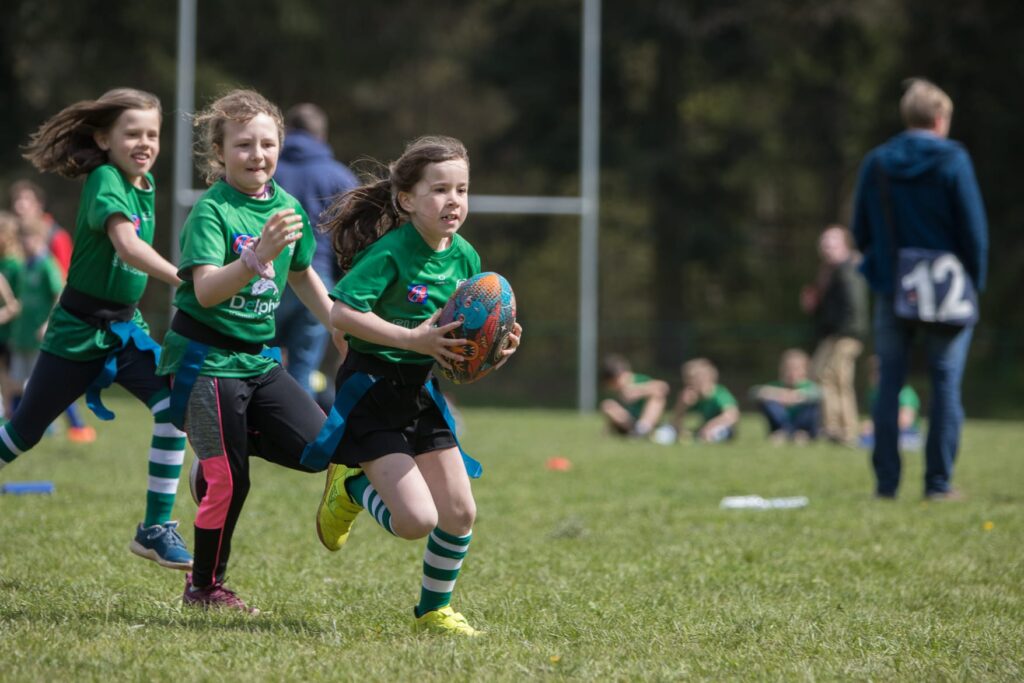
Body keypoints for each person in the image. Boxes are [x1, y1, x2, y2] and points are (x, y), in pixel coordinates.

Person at [313, 135, 522, 636]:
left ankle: (433, 611)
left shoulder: (466, 257)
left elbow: (456, 341)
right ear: (406, 199)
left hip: (420, 393)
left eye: (462, 190)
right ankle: (350, 486)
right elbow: (342, 313)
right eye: (440, 190)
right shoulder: (390, 253)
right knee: (415, 522)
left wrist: (489, 351)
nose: (454, 201)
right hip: (371, 391)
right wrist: (412, 338)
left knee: (459, 510)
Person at [158, 89, 341, 613]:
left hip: (258, 360)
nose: (256, 155)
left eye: (267, 143)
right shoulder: (211, 211)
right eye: (243, 145)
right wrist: (257, 256)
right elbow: (207, 289)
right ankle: (204, 587)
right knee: (231, 482)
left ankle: (214, 462)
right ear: (219, 153)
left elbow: (304, 272)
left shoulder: (287, 207)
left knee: (317, 448)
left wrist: (335, 324)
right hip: (204, 359)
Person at [0, 88, 192, 569]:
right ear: (104, 138)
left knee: (173, 410)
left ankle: (155, 528)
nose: (145, 143)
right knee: (23, 432)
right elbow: (127, 248)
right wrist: (185, 279)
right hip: (77, 331)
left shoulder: (144, 186)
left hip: (125, 330)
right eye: (132, 133)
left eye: (153, 134)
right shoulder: (106, 178)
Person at [851, 78, 988, 500]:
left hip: (893, 287)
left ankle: (886, 484)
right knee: (945, 385)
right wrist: (973, 282)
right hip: (948, 289)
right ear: (940, 117)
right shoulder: (954, 161)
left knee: (888, 384)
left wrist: (883, 270)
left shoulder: (878, 162)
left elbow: (860, 229)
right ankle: (938, 484)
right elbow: (973, 231)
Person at [272, 103, 358, 402]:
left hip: (266, 277)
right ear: (321, 136)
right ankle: (299, 445)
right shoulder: (341, 178)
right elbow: (353, 244)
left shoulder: (265, 173)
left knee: (251, 361)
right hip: (318, 281)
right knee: (303, 370)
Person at [801, 225, 868, 445]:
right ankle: (832, 428)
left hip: (846, 334)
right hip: (833, 334)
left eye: (832, 243)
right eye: (824, 243)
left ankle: (845, 431)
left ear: (844, 245)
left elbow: (854, 306)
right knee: (819, 375)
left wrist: (844, 333)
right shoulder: (829, 271)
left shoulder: (848, 268)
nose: (826, 248)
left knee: (836, 378)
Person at [751, 349, 821, 444]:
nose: (792, 372)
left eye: (796, 368)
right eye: (788, 368)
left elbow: (819, 394)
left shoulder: (809, 386)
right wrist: (780, 394)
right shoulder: (776, 385)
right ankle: (786, 432)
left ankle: (799, 433)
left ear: (805, 370)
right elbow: (755, 392)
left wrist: (796, 396)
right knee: (767, 401)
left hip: (803, 424)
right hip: (781, 423)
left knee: (812, 402)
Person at [666, 358, 739, 443]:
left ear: (706, 378)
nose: (687, 383)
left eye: (691, 379)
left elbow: (732, 416)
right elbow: (675, 422)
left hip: (721, 428)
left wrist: (710, 426)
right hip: (703, 429)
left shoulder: (719, 394)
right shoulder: (694, 397)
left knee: (714, 433)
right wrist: (682, 405)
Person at [9, 179, 73, 275]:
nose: (19, 205)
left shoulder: (57, 236)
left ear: (39, 205)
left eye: (26, 199)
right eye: (16, 199)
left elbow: (65, 275)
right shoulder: (10, 237)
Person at [859, 355, 921, 452]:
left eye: (877, 373)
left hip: (907, 433)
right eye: (871, 373)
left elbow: (905, 421)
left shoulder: (904, 392)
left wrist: (876, 426)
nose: (873, 377)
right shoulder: (873, 393)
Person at [598, 353, 669, 438]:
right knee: (607, 405)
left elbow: (663, 387)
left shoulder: (639, 380)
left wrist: (638, 392)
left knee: (657, 398)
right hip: (631, 422)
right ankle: (637, 431)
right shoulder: (619, 391)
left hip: (647, 419)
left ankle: (644, 429)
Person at [0, 213, 23, 416]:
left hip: (9, 333)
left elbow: (19, 303)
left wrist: (5, 314)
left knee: (10, 379)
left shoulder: (16, 266)